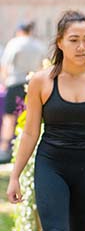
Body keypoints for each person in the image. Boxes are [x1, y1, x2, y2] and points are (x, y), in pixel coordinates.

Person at [6, 10, 85, 230]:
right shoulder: (41, 82)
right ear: (60, 42)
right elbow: (31, 132)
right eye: (74, 40)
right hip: (51, 166)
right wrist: (15, 176)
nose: (81, 47)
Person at [0, 21, 45, 163]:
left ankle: (4, 149)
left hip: (14, 83)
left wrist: (4, 82)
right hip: (32, 84)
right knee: (31, 117)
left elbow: (5, 65)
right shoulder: (38, 45)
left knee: (9, 117)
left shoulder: (14, 43)